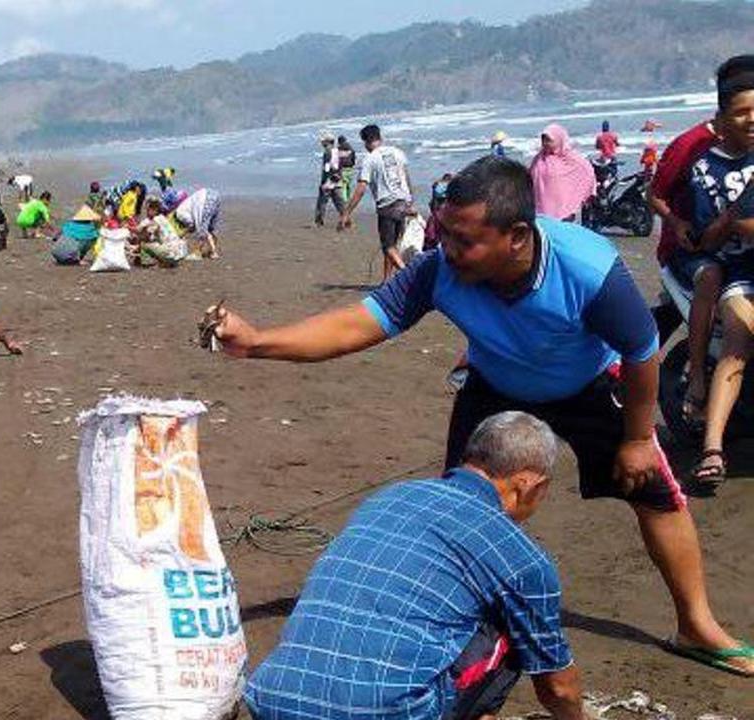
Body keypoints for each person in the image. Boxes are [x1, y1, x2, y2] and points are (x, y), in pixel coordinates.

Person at [211, 155, 754, 678]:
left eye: (463, 240)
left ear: (517, 235)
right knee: (460, 511)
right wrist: (258, 341)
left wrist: (637, 438)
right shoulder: (438, 270)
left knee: (655, 495)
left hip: (590, 385)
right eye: (444, 233)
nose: (445, 249)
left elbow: (641, 352)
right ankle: (453, 622)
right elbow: (358, 325)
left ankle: (696, 626)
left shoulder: (587, 269)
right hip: (496, 389)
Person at [246, 412, 586, 720]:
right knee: (513, 625)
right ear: (528, 484)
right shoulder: (520, 555)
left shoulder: (390, 497)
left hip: (275, 698)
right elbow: (558, 688)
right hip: (384, 712)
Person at [650, 55, 754, 428]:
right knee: (710, 277)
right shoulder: (692, 145)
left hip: (737, 251)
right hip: (693, 250)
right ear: (725, 104)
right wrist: (677, 224)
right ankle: (696, 374)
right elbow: (655, 194)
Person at [687, 68, 754, 488]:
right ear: (722, 117)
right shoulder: (704, 169)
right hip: (737, 270)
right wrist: (732, 220)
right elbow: (708, 237)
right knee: (739, 337)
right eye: (743, 111)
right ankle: (713, 447)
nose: (753, 119)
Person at [340, 124, 415, 280]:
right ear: (380, 137)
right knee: (393, 246)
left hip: (387, 205)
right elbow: (407, 178)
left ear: (366, 142)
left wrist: (346, 213)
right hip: (404, 203)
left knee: (388, 247)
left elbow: (361, 189)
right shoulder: (398, 153)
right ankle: (387, 281)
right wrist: (410, 202)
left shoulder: (370, 158)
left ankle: (409, 275)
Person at [529, 124, 596, 222]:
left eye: (549, 140)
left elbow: (587, 171)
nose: (545, 143)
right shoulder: (539, 158)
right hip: (541, 206)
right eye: (543, 140)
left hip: (563, 208)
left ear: (559, 140)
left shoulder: (570, 158)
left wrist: (588, 191)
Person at [134, 197, 189, 267]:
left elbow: (147, 234)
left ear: (155, 210)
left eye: (148, 210)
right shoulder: (163, 219)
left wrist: (138, 241)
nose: (147, 212)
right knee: (155, 245)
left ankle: (148, 263)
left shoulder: (155, 221)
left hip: (170, 251)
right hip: (180, 251)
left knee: (144, 244)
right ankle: (167, 262)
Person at [173, 186, 222, 258]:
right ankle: (212, 251)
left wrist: (181, 234)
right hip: (214, 195)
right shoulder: (185, 205)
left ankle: (198, 253)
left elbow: (192, 225)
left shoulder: (179, 214)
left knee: (202, 229)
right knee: (211, 229)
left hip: (203, 199)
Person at [314, 132, 346, 228]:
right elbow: (340, 165)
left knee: (322, 202)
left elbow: (326, 168)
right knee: (340, 202)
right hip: (337, 179)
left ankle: (319, 222)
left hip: (329, 180)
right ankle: (346, 219)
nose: (321, 143)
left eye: (323, 141)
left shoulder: (327, 152)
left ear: (327, 142)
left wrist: (324, 182)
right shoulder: (337, 151)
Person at [336, 135, 357, 201]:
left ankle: (344, 200)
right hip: (350, 168)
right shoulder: (351, 148)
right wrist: (353, 165)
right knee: (348, 184)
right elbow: (353, 158)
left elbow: (338, 160)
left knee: (343, 185)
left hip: (343, 168)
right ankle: (348, 197)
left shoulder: (339, 149)